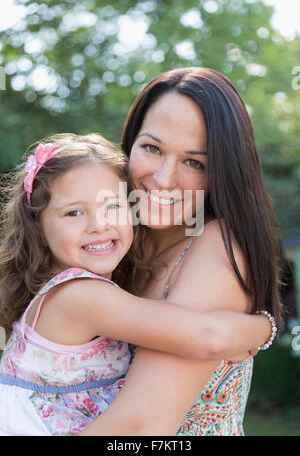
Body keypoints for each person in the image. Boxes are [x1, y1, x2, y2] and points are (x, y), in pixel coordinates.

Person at [0, 133, 273, 436]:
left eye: (113, 206)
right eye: (74, 212)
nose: (99, 224)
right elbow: (206, 337)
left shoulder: (69, 290)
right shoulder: (81, 295)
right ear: (37, 227)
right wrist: (266, 327)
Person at [79, 67, 283, 436]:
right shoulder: (108, 240)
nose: (163, 179)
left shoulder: (216, 247)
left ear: (222, 173)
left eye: (194, 162)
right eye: (152, 148)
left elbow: (140, 426)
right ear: (130, 143)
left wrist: (264, 329)